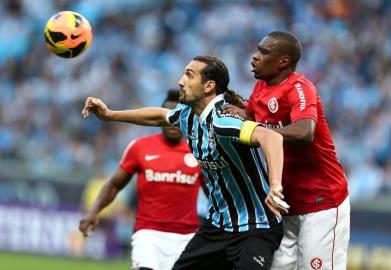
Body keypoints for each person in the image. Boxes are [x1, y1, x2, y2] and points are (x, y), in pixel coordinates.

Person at [81, 55, 288, 270]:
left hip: (256, 227)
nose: (181, 81)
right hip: (217, 226)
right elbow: (159, 116)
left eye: (189, 75)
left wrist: (275, 186)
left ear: (208, 86)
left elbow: (271, 138)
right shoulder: (187, 114)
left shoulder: (223, 120)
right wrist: (110, 115)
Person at [223, 31, 350, 270]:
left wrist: (257, 130)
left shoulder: (299, 88)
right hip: (285, 203)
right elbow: (254, 115)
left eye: (263, 52)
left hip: (321, 201)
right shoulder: (261, 87)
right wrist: (241, 111)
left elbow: (305, 131)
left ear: (283, 61)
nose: (254, 57)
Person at [79, 90, 206, 270]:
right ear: (161, 118)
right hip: (148, 234)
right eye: (169, 116)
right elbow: (115, 184)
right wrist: (94, 211)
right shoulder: (140, 148)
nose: (173, 122)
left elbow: (214, 193)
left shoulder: (199, 151)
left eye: (178, 116)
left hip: (186, 237)